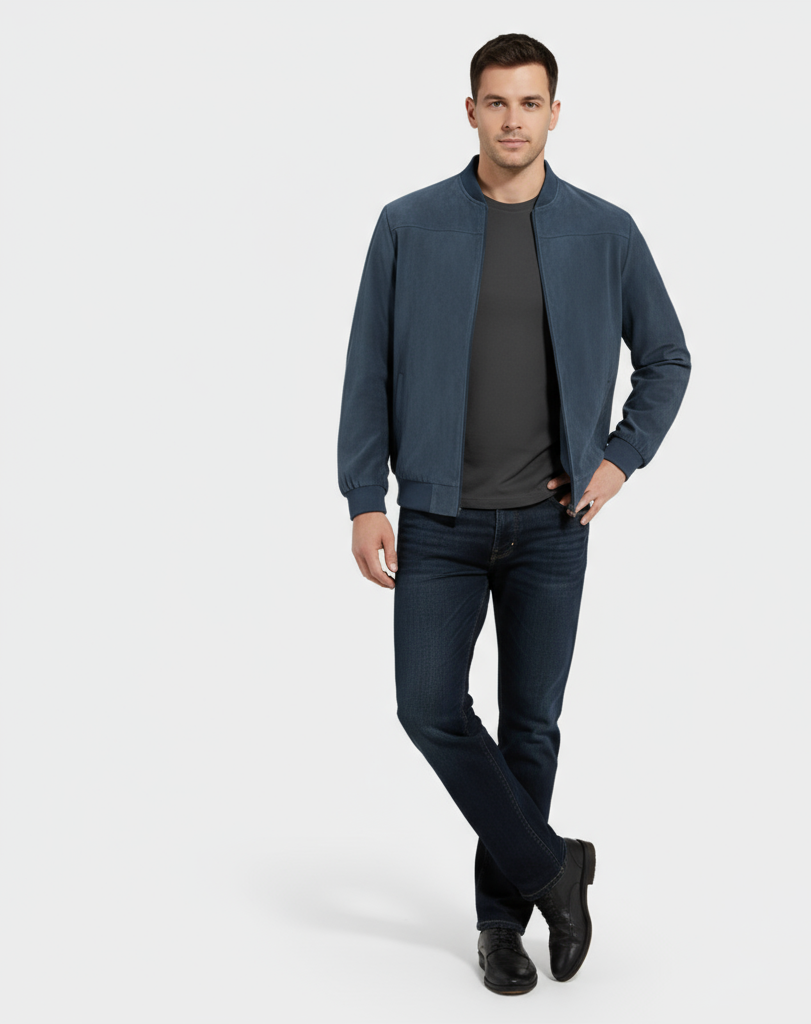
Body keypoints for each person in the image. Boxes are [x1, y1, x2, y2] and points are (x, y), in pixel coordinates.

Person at [336, 33, 691, 996]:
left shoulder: (605, 231)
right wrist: (364, 497)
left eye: (530, 103)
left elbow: (667, 357)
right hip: (439, 523)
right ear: (470, 112)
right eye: (495, 102)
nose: (513, 120)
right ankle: (553, 868)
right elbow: (368, 369)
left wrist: (618, 460)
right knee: (428, 708)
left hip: (551, 526)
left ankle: (502, 925)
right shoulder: (408, 225)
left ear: (555, 114)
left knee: (532, 727)